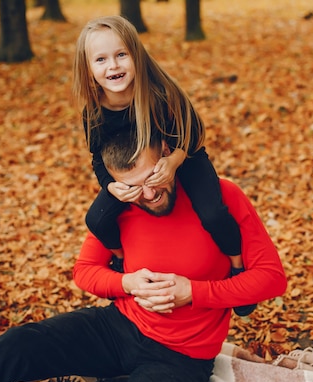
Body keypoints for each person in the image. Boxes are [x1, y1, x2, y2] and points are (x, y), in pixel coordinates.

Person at [0, 128, 287, 382]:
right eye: (133, 188)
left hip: (182, 355)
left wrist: (195, 292)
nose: (149, 195)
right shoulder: (120, 209)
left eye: (154, 179)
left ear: (168, 154)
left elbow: (272, 277)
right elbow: (85, 271)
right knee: (21, 343)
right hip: (118, 329)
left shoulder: (221, 197)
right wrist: (126, 283)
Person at [73, 16, 255, 314]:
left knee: (212, 214)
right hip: (134, 172)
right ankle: (119, 260)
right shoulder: (94, 111)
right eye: (101, 59)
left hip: (184, 157)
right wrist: (112, 186)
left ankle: (236, 265)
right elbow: (97, 157)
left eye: (121, 55)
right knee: (97, 219)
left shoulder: (158, 93)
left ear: (136, 54)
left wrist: (173, 162)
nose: (113, 66)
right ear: (89, 70)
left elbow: (192, 133)